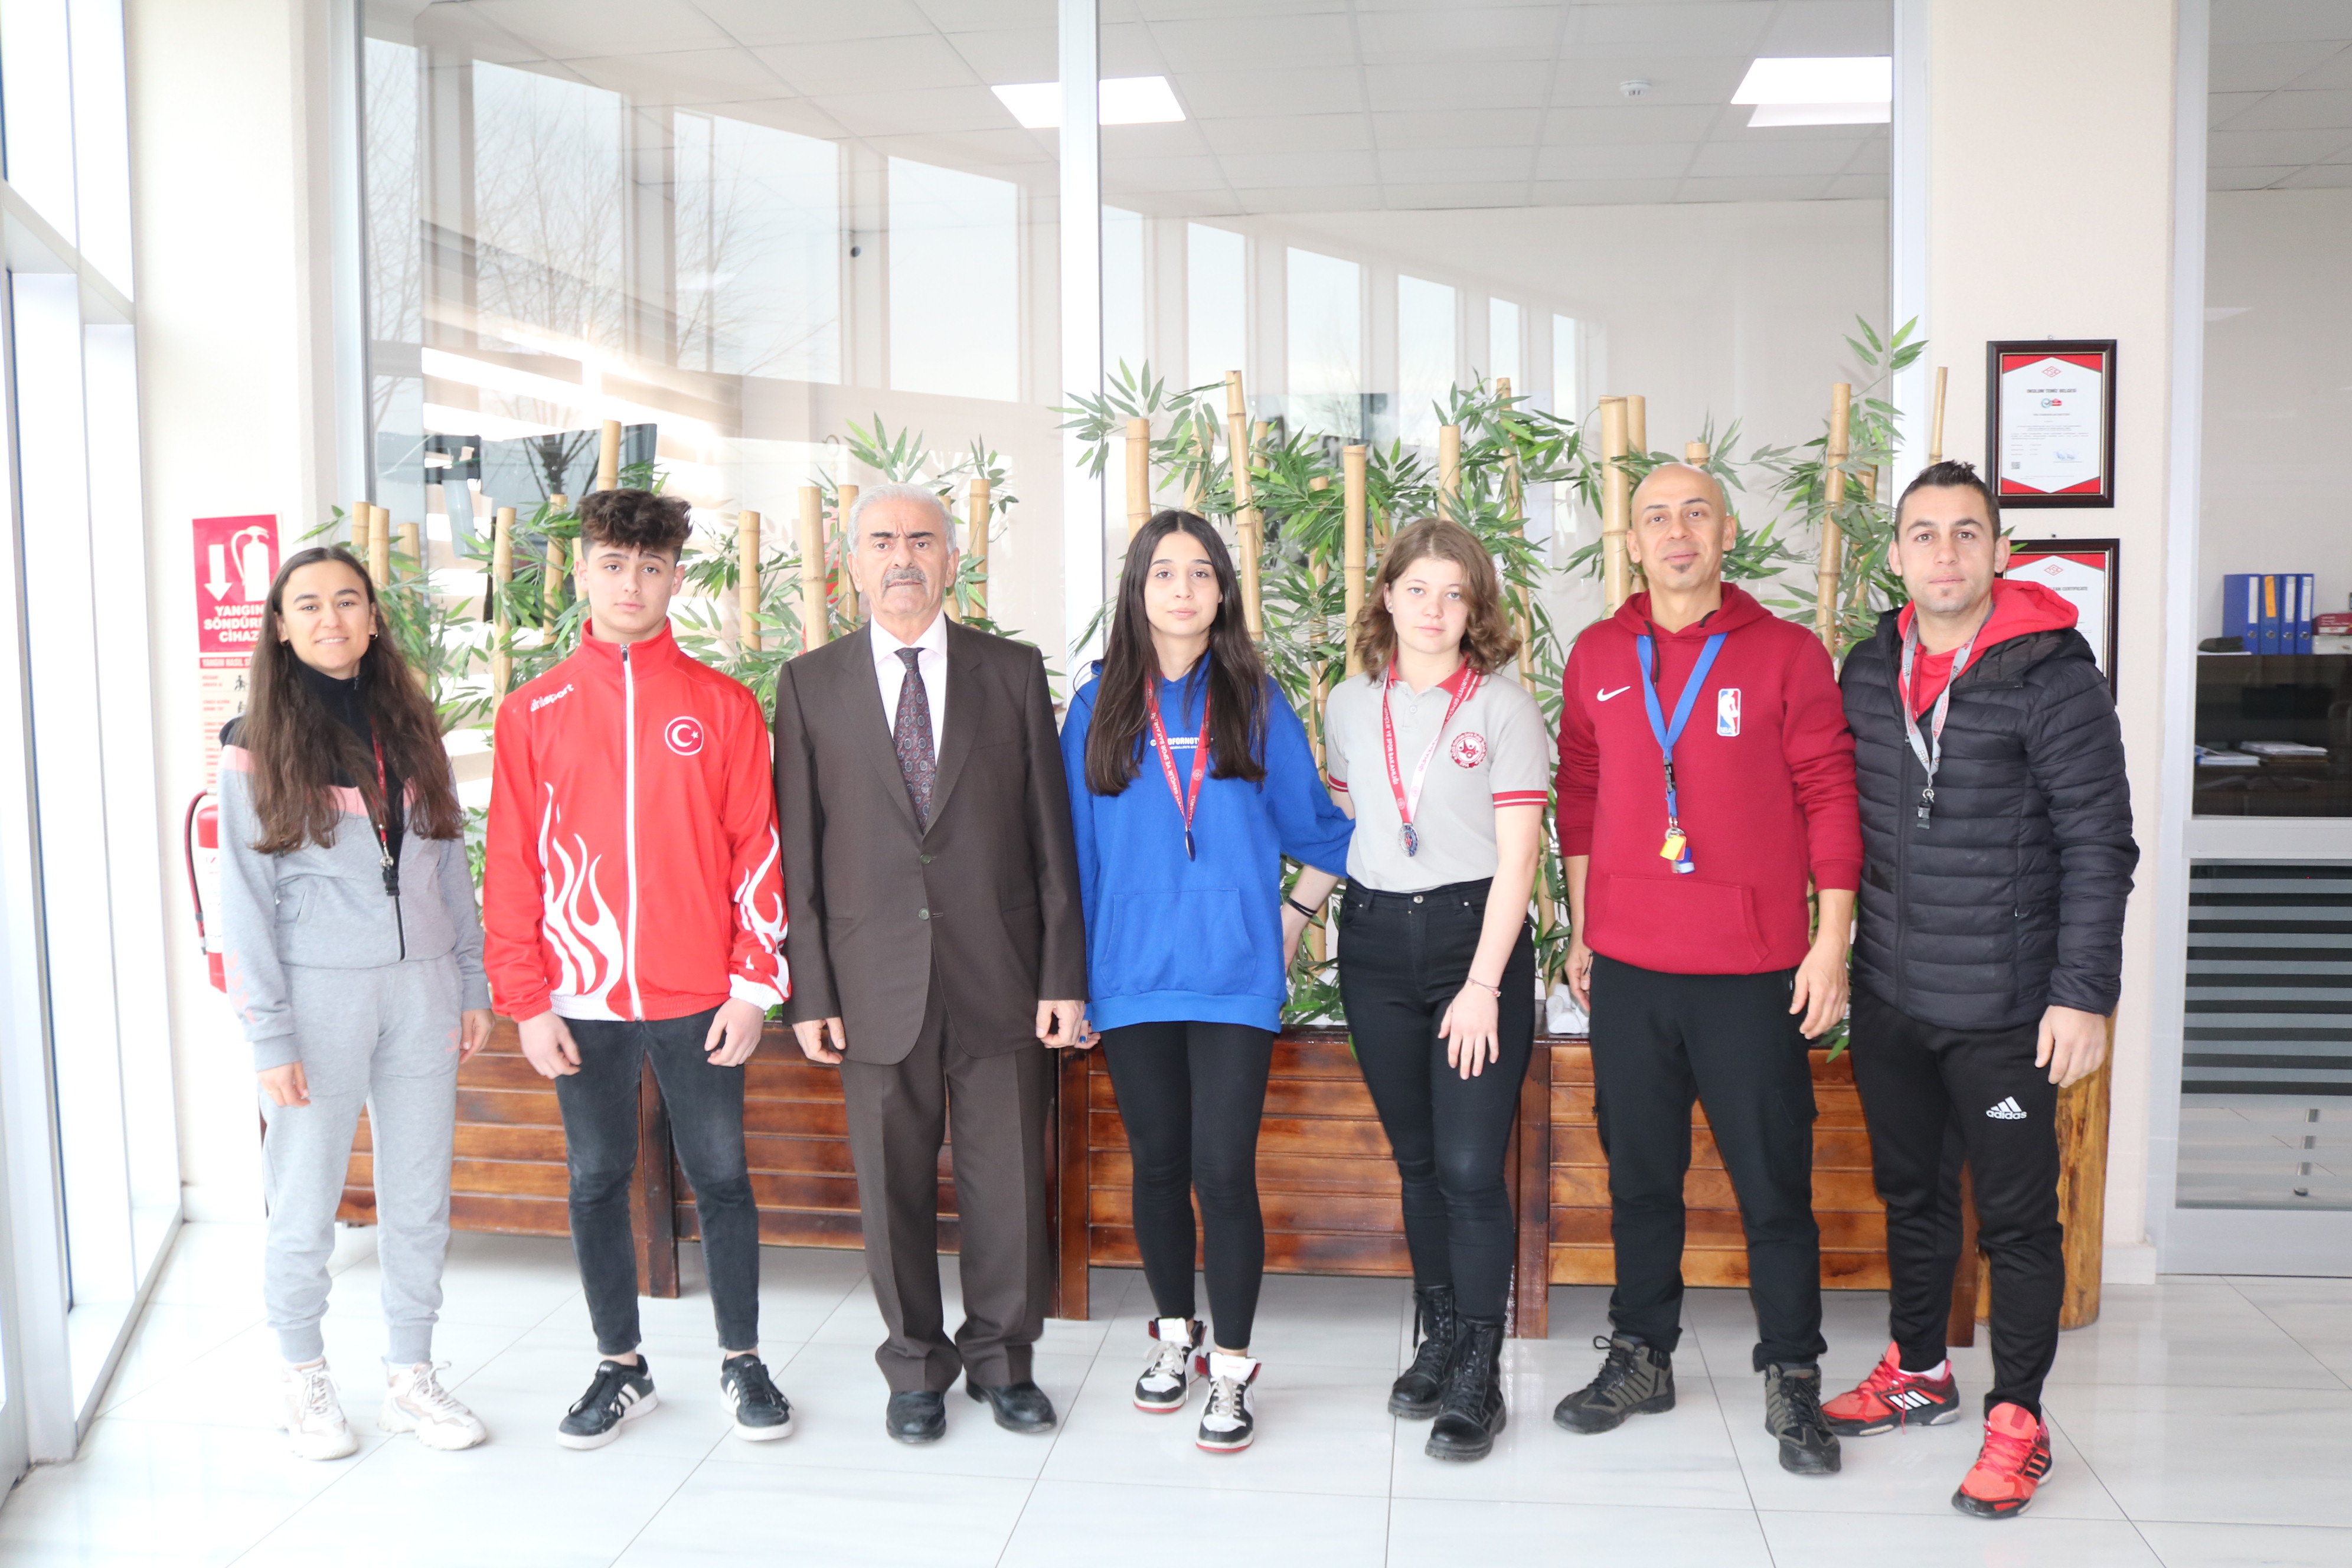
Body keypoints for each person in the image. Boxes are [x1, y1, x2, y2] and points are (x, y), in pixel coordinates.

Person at [1826, 459, 2136, 1519]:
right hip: (1893, 994)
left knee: (2015, 1223)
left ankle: (2020, 1421)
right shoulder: (1870, 667)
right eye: (1924, 534)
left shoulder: (2052, 675)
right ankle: (1919, 1369)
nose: (1945, 553)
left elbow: (2100, 843)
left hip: (2007, 1008)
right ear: (1897, 555)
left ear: (2000, 551)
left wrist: (2083, 995)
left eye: (1967, 532)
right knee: (1912, 1196)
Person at [1551, 463, 1862, 1476]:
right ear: (1631, 542)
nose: (1677, 531)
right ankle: (1642, 1356)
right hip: (1630, 968)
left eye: (1696, 513)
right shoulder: (1599, 653)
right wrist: (1585, 928)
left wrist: (1830, 940)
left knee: (1774, 1187)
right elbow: (1580, 794)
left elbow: (1829, 793)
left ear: (1727, 533)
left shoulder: (1787, 654)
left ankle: (1793, 1373)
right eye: (1656, 517)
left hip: (1753, 971)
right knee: (1640, 1179)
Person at [772, 482, 1087, 1445]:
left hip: (1002, 974)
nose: (903, 557)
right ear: (850, 565)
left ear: (953, 559)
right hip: (870, 981)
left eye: (922, 540)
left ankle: (1003, 1361)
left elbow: (1051, 839)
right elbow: (800, 851)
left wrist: (1062, 977)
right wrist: (811, 989)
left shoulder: (1012, 672)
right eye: (882, 541)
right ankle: (914, 1366)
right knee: (891, 1185)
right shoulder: (808, 684)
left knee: (1007, 1185)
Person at [484, 489, 793, 1450]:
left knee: (723, 1175)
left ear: (676, 578)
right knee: (594, 1179)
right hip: (579, 996)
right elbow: (513, 866)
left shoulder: (723, 705)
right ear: (582, 572)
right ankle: (621, 1366)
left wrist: (754, 986)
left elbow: (758, 848)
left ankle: (744, 1360)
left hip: (702, 994)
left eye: (651, 567)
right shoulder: (531, 712)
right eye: (614, 565)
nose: (632, 584)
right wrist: (527, 1002)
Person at [1061, 510, 1354, 1454]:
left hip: (1234, 975)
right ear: (1137, 590)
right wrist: (1072, 982)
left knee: (1222, 1171)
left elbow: (1326, 835)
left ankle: (1230, 1368)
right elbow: (1071, 857)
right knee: (1157, 1166)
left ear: (1224, 591)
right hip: (1130, 973)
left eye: (1201, 572)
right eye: (1164, 572)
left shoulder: (1256, 702)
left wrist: (1293, 918)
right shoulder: (1095, 705)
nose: (1182, 589)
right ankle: (1172, 1336)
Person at [217, 544, 492, 1461]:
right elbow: (244, 905)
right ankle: (303, 1375)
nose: (331, 618)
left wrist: (470, 980)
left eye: (348, 601)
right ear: (281, 626)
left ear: (373, 619)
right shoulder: (252, 744)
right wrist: (270, 1037)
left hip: (423, 993)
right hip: (317, 999)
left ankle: (411, 1375)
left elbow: (448, 866)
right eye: (309, 604)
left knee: (419, 1198)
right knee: (304, 1201)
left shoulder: (411, 728)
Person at [1324, 517, 1550, 1464]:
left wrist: (1483, 985)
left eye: (1454, 594)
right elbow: (1346, 828)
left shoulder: (1504, 708)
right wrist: (1295, 917)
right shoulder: (1347, 704)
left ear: (1475, 609)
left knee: (1467, 1166)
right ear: (1386, 596)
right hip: (1374, 943)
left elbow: (1520, 860)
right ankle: (1442, 1336)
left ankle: (1480, 1372)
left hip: (1473, 939)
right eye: (1417, 589)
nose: (1433, 609)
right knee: (1418, 1163)